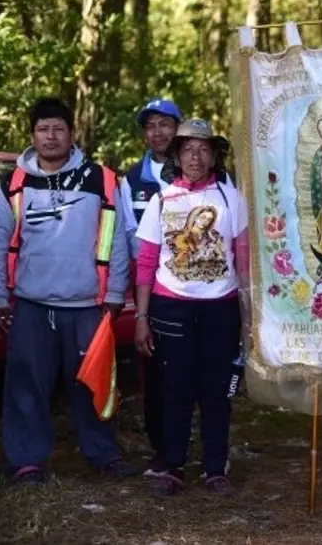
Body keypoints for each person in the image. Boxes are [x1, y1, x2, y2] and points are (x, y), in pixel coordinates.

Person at [0, 97, 134, 483]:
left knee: (93, 384)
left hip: (87, 304)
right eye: (43, 129)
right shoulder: (13, 184)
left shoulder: (100, 179)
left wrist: (113, 295)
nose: (51, 136)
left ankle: (102, 454)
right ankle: (26, 459)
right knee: (26, 384)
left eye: (59, 128)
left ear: (71, 133)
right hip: (31, 304)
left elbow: (118, 239)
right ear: (32, 136)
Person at [133, 119, 248, 497]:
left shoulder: (232, 199)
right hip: (170, 306)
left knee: (217, 392)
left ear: (215, 155)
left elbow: (243, 259)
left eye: (203, 149)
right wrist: (141, 317)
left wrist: (249, 316)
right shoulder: (161, 200)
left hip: (221, 307)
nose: (195, 156)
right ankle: (174, 465)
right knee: (175, 389)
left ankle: (215, 468)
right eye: (187, 149)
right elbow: (147, 262)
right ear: (177, 155)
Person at [120, 98, 183, 477]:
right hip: (154, 290)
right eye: (150, 126)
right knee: (155, 375)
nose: (157, 132)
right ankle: (161, 450)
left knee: (199, 372)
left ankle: (212, 453)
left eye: (165, 124)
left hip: (201, 290)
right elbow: (130, 235)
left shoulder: (201, 168)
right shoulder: (131, 180)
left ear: (179, 128)